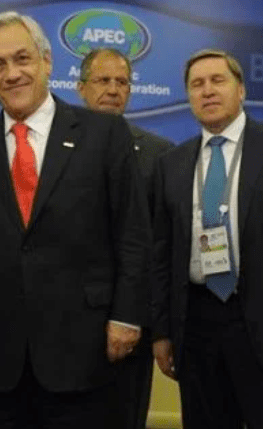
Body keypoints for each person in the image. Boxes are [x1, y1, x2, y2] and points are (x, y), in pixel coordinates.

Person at [0, 11, 151, 429]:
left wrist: (127, 316)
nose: (11, 73)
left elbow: (132, 233)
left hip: (87, 351)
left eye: (22, 58)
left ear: (47, 61)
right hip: (5, 357)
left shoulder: (104, 134)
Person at [151, 49, 263, 429]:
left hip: (254, 315)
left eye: (218, 80)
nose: (208, 91)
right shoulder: (171, 164)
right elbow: (161, 253)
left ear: (241, 89)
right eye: (197, 84)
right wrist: (162, 331)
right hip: (196, 322)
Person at [77, 48, 174, 429]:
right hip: (68, 325)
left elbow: (161, 248)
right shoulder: (53, 149)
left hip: (133, 325)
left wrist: (154, 325)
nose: (113, 90)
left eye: (122, 82)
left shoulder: (159, 154)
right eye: (103, 81)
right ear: (82, 88)